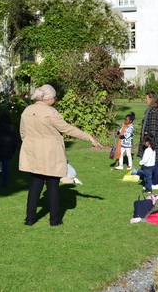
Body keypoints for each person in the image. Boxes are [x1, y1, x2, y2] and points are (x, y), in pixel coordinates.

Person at [19, 84, 102, 226]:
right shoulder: (51, 112)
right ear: (49, 98)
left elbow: (23, 133)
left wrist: (32, 144)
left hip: (34, 154)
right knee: (52, 187)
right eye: (54, 97)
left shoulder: (27, 110)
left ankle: (29, 220)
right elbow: (68, 129)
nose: (55, 99)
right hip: (51, 154)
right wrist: (88, 137)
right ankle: (54, 220)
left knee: (35, 186)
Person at [137, 91, 158, 185]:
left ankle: (155, 181)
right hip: (150, 139)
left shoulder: (154, 111)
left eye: (146, 98)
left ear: (152, 99)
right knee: (154, 160)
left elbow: (152, 128)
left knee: (154, 161)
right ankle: (154, 179)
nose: (145, 99)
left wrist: (149, 142)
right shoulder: (151, 110)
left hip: (152, 140)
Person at [0, 112, 17, 189]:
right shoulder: (12, 130)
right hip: (8, 152)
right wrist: (12, 153)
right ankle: (4, 183)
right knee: (6, 168)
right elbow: (14, 143)